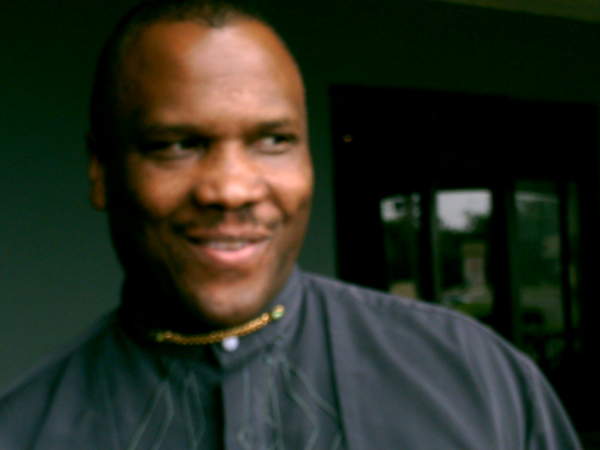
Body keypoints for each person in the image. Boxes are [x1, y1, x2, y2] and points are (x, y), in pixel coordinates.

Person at [0, 1, 581, 448]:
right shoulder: (23, 429)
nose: (232, 190)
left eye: (274, 141)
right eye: (177, 145)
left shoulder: (474, 377)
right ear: (101, 171)